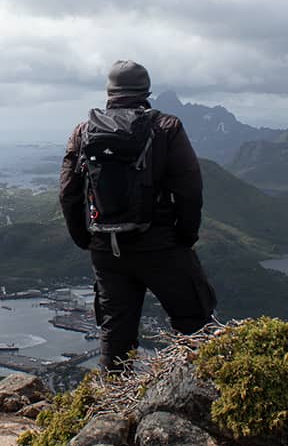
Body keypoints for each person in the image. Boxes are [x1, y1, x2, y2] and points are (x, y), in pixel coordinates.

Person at [59, 60, 216, 371]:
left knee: (116, 334)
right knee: (193, 322)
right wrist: (184, 238)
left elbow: (68, 192)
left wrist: (87, 239)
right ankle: (206, 399)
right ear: (145, 91)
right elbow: (189, 190)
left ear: (110, 92)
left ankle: (111, 410)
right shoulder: (167, 128)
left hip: (106, 248)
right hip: (160, 245)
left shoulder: (83, 131)